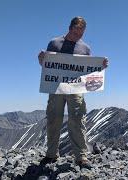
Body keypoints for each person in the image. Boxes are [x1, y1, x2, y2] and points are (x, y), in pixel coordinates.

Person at [38, 16, 108, 169]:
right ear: (70, 28)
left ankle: (81, 157)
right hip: (56, 87)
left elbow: (88, 70)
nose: (78, 36)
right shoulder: (54, 43)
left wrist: (101, 66)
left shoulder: (85, 48)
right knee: (53, 119)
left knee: (77, 119)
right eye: (76, 32)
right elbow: (46, 65)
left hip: (76, 89)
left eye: (81, 33)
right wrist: (41, 58)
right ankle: (51, 155)